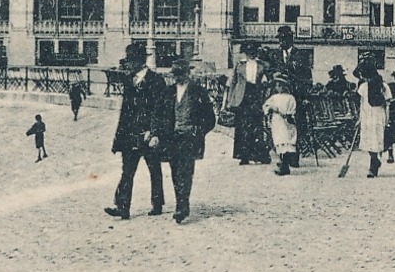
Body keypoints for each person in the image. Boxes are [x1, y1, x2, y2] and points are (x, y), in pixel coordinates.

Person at [105, 43, 170, 221]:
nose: (127, 65)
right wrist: (118, 138)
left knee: (154, 170)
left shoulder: (157, 80)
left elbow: (160, 109)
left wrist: (155, 132)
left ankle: (157, 204)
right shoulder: (129, 80)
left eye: (130, 61)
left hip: (149, 134)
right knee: (127, 172)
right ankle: (123, 208)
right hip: (130, 135)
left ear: (139, 62)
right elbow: (125, 112)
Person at [164, 55, 216, 223]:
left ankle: (182, 206)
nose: (177, 77)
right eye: (175, 74)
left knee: (185, 172)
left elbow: (210, 118)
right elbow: (161, 115)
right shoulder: (169, 92)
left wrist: (198, 131)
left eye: (180, 73)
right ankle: (181, 202)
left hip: (189, 138)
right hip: (172, 138)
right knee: (174, 172)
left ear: (187, 73)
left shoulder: (198, 91)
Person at [226, 43, 271, 165]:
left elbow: (266, 82)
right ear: (245, 52)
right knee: (242, 126)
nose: (251, 53)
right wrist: (230, 101)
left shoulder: (262, 65)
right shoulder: (239, 64)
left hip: (256, 96)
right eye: (249, 50)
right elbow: (234, 82)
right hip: (242, 97)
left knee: (257, 126)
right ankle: (243, 156)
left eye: (254, 50)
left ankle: (259, 155)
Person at [355, 62, 388, 178]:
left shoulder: (383, 86)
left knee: (376, 141)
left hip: (378, 116)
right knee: (368, 142)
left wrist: (387, 118)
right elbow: (362, 103)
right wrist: (360, 118)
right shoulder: (363, 87)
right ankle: (375, 161)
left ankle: (373, 166)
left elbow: (387, 104)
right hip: (367, 116)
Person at [263, 73, 299, 176]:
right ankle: (283, 163)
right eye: (277, 85)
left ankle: (285, 165)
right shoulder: (274, 97)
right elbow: (266, 105)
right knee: (279, 141)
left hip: (286, 122)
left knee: (286, 141)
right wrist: (270, 109)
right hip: (277, 121)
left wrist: (285, 112)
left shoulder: (290, 98)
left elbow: (292, 110)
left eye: (281, 85)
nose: (278, 87)